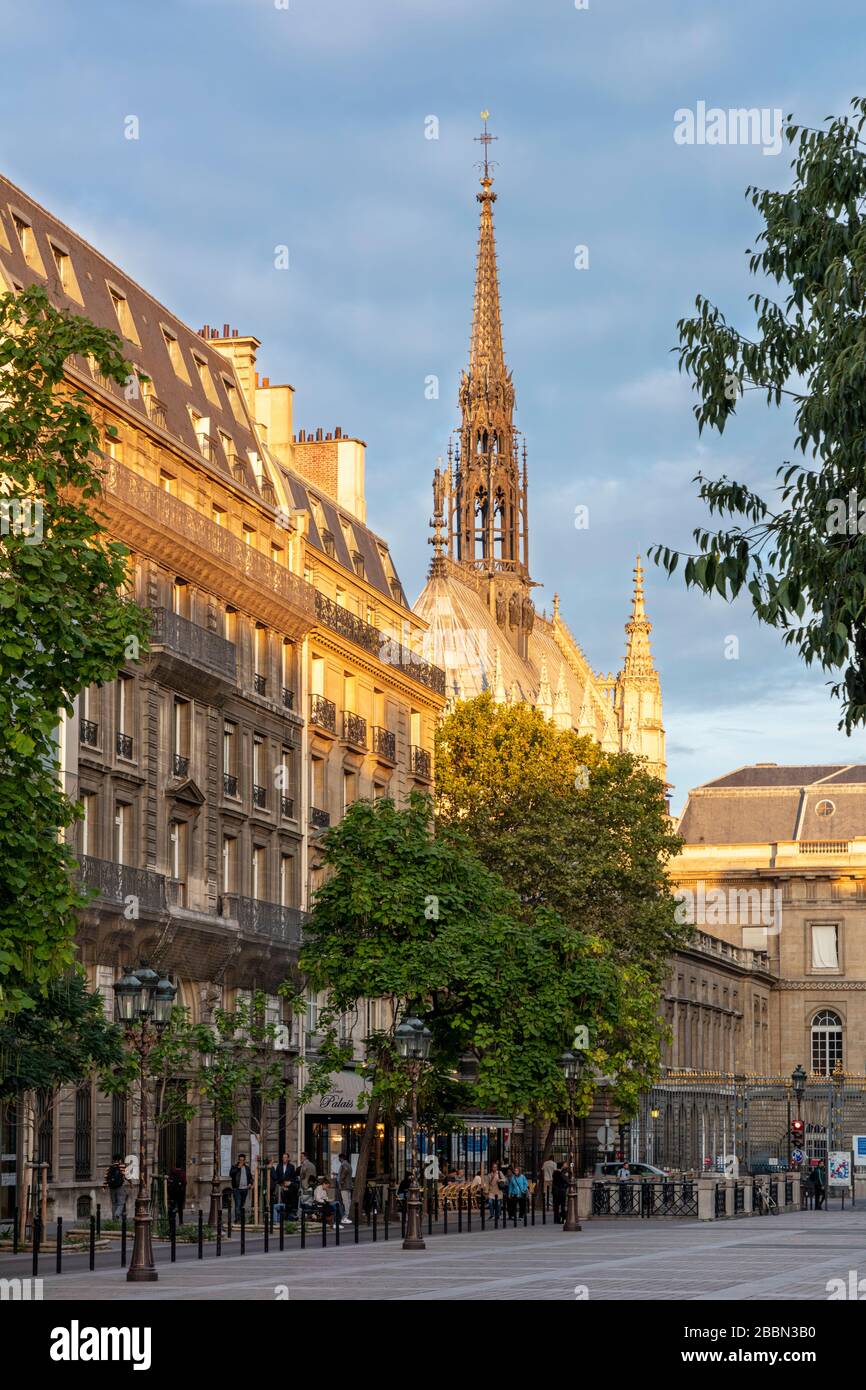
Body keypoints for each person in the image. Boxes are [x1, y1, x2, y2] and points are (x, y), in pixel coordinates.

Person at [104, 1154, 128, 1221]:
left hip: (111, 1188)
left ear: (113, 1160)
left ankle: (114, 1220)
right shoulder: (122, 1166)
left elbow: (106, 1178)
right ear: (120, 1160)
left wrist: (104, 1187)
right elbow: (126, 1176)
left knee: (114, 1203)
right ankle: (117, 1214)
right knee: (121, 1203)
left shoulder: (109, 1168)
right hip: (120, 1187)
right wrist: (131, 1183)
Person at [230, 1153, 252, 1219]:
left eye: (243, 1160)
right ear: (238, 1160)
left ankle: (241, 1218)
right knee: (238, 1204)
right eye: (240, 1160)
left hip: (245, 1189)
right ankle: (238, 1219)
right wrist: (238, 1168)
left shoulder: (247, 1168)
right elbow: (231, 1174)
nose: (241, 1161)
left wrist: (250, 1183)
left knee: (242, 1204)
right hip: (237, 1189)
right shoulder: (234, 1166)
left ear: (245, 1160)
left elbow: (250, 1177)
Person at [337, 1152, 353, 1220]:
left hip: (344, 1186)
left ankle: (346, 1215)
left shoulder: (344, 1164)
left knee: (345, 1201)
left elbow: (344, 1172)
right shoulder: (348, 1164)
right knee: (348, 1200)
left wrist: (341, 1181)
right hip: (348, 1185)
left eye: (339, 1158)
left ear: (341, 1158)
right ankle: (348, 1213)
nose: (339, 1159)